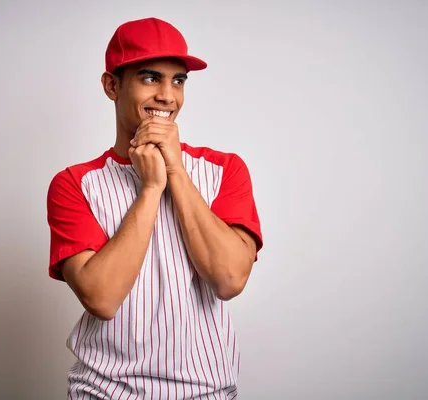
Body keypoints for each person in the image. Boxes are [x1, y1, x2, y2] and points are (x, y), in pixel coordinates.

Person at [46, 16, 263, 399]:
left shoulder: (226, 169)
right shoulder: (73, 184)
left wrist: (175, 170)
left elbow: (229, 280)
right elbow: (101, 298)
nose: (168, 96)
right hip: (106, 393)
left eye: (178, 80)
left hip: (207, 392)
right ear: (112, 85)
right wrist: (150, 189)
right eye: (151, 78)